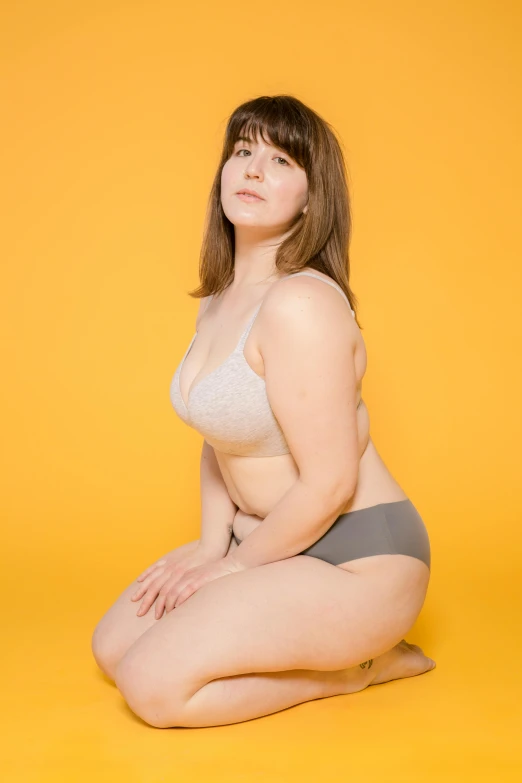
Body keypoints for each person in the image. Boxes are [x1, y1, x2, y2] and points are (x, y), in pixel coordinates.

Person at [92, 94, 436, 729]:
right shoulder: (222, 299)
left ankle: (357, 669)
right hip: (272, 543)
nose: (251, 169)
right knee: (113, 649)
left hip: (358, 564)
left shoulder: (301, 305)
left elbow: (332, 482)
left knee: (151, 686)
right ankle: (318, 643)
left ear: (311, 199)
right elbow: (221, 437)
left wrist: (231, 568)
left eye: (280, 160)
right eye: (242, 151)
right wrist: (207, 545)